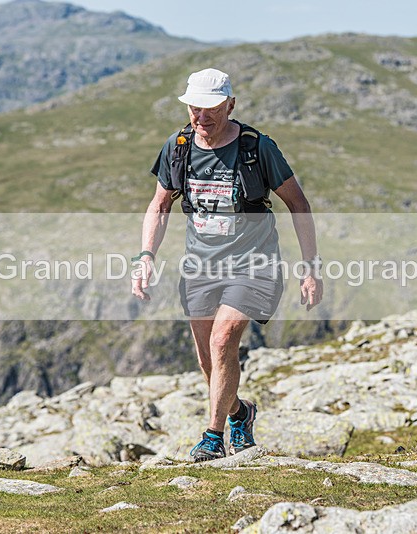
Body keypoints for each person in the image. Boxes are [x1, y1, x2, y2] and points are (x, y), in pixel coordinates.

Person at [131, 68, 323, 462]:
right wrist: (146, 255)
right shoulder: (178, 147)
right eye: (194, 108)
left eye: (211, 109)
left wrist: (310, 266)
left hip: (254, 264)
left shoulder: (258, 147)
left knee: (222, 342)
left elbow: (298, 204)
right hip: (200, 268)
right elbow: (160, 204)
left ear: (230, 105)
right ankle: (239, 412)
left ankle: (213, 437)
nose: (201, 117)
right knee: (209, 360)